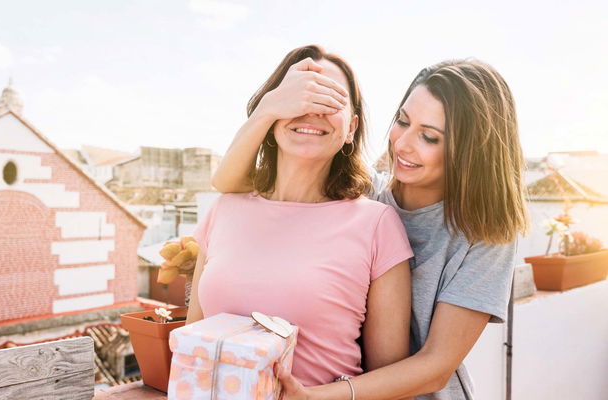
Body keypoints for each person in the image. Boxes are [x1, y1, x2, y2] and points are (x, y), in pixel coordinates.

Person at [212, 53, 529, 399]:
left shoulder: (487, 235)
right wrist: (270, 107)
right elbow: (229, 184)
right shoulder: (366, 195)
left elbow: (436, 366)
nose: (403, 144)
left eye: (430, 137)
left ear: (470, 151)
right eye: (403, 121)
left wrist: (315, 396)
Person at [186, 45, 414, 387]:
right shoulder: (224, 209)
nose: (311, 109)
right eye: (297, 96)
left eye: (330, 99)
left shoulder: (376, 224)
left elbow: (391, 383)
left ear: (351, 128)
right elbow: (191, 346)